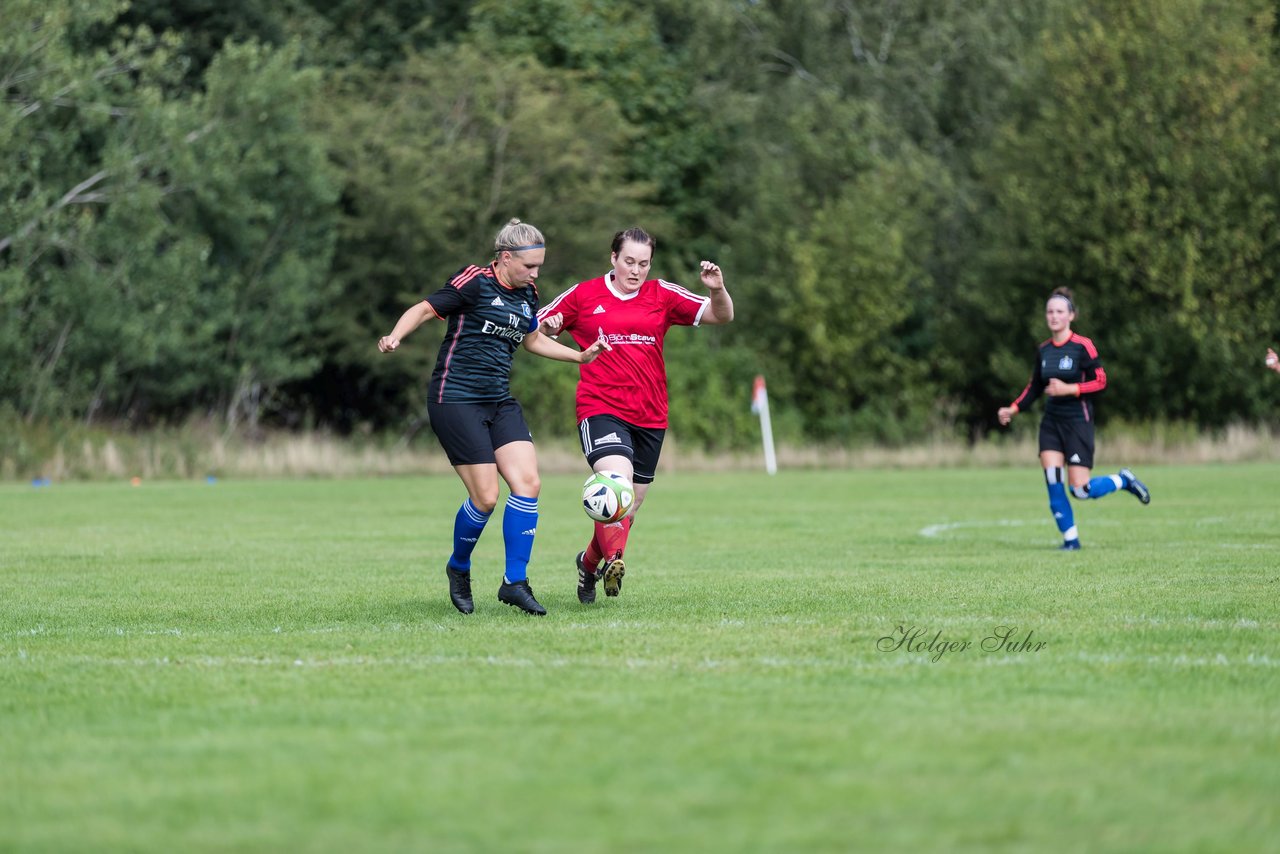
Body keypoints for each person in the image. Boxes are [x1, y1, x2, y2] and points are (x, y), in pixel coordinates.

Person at [378, 219, 610, 616]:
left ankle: (514, 583)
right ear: (505, 258)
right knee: (485, 497)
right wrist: (396, 336)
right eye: (529, 266)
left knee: (528, 483)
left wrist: (579, 356)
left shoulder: (528, 293)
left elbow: (532, 337)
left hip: (498, 401)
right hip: (455, 399)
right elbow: (424, 308)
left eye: (539, 266)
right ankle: (459, 567)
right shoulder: (474, 281)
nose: (536, 274)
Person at [537, 227, 734, 603]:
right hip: (600, 407)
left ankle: (589, 564)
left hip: (650, 414)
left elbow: (721, 316)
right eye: (629, 261)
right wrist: (549, 329)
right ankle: (615, 558)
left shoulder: (662, 294)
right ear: (613, 258)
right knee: (617, 484)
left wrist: (716, 289)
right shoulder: (583, 295)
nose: (636, 270)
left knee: (628, 505)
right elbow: (535, 328)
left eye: (644, 264)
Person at [997, 287, 1149, 550]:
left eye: (1059, 311)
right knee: (1054, 483)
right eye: (1049, 311)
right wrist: (1013, 408)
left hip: (1078, 422)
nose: (1053, 316)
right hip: (1051, 424)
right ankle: (1071, 541)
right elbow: (1034, 387)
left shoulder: (1082, 346)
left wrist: (1070, 389)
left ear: (1071, 316)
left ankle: (1123, 480)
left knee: (1080, 489)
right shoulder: (1043, 350)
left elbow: (1101, 381)